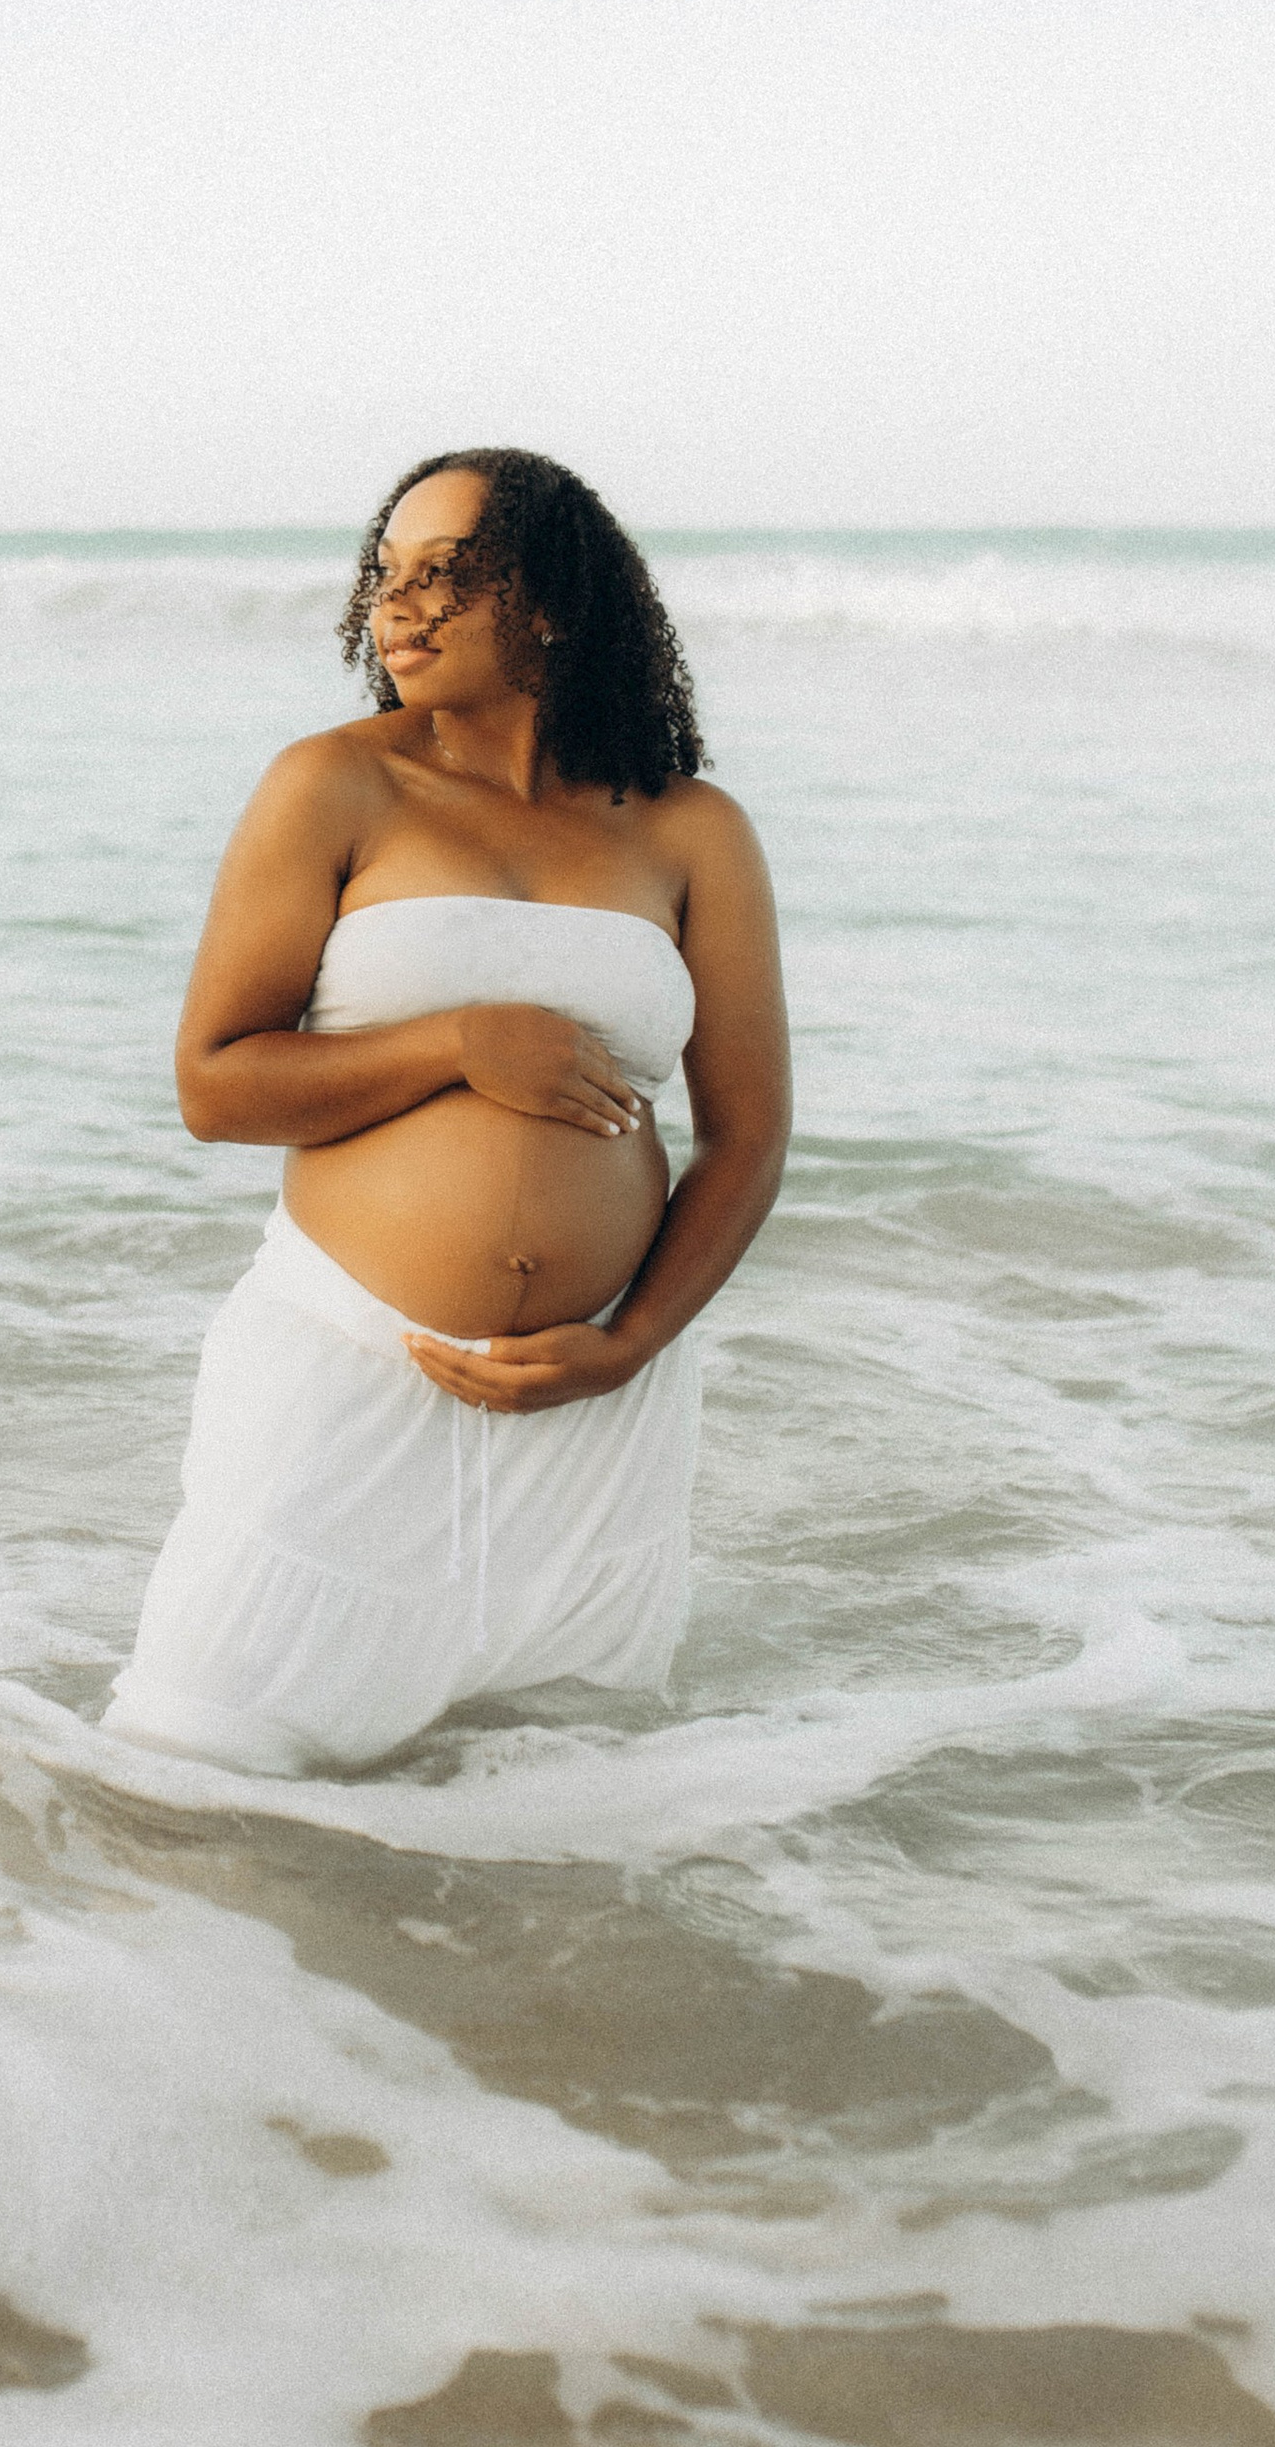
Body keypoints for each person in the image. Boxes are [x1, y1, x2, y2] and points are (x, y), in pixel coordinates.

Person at [100, 448, 791, 1776]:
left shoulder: (691, 828)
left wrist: (634, 1340)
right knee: (189, 1780)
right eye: (385, 577)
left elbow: (749, 1132)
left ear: (550, 603)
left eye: (447, 576)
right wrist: (458, 1044)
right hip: (346, 1370)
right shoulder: (335, 785)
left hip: (591, 1409)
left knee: (552, 1826)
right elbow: (215, 1083)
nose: (399, 609)